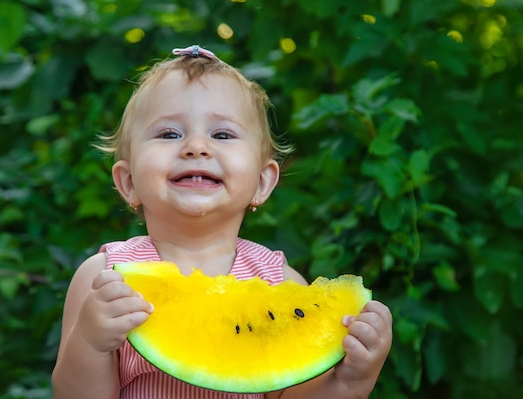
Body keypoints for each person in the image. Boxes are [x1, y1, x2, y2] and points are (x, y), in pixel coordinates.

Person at [51, 45, 392, 399]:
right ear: (129, 182)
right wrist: (89, 344)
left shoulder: (280, 282)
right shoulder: (106, 278)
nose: (196, 147)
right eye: (169, 134)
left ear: (262, 182)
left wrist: (351, 382)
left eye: (222, 135)